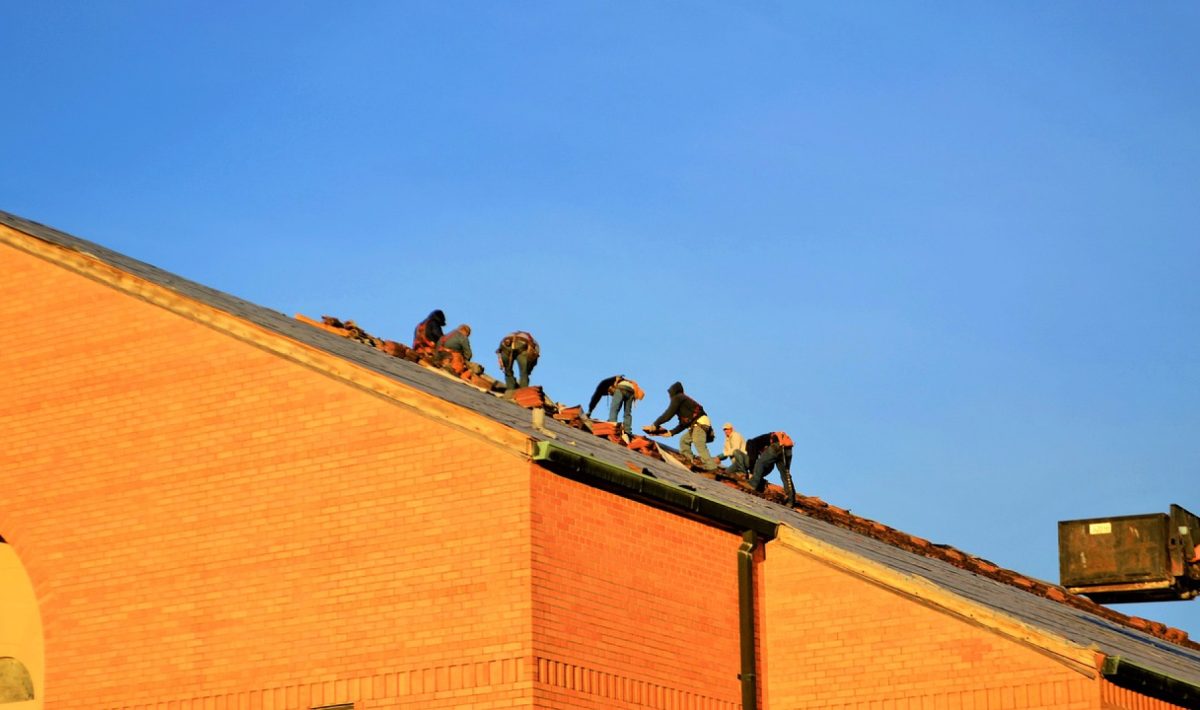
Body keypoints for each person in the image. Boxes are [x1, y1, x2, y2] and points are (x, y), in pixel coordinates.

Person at [649, 382, 717, 471]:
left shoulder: (678, 398)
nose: (669, 397)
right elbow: (683, 424)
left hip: (699, 423)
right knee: (684, 441)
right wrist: (671, 432)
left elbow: (668, 414)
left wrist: (656, 424)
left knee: (698, 442)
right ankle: (689, 460)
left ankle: (711, 466)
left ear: (673, 392)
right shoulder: (683, 401)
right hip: (696, 425)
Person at [746, 431, 796, 506]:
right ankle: (790, 499)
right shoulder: (769, 440)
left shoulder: (752, 442)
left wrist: (751, 472)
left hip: (778, 445)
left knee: (760, 463)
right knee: (786, 474)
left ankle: (752, 484)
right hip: (788, 449)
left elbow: (755, 459)